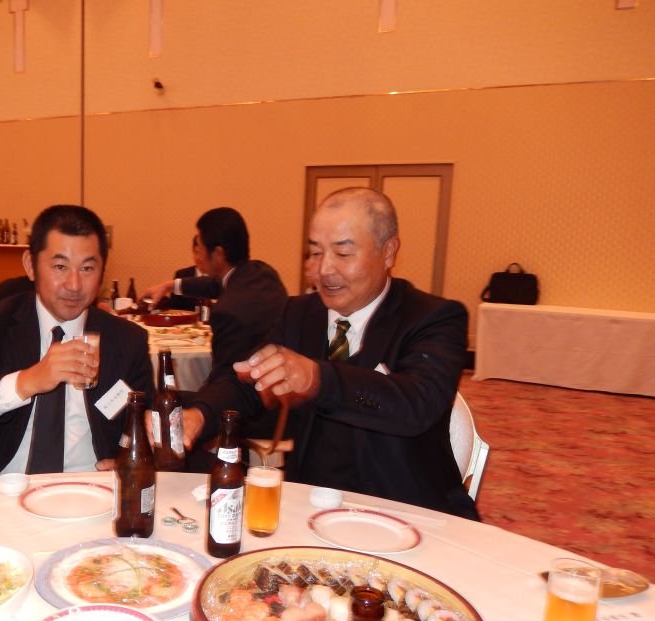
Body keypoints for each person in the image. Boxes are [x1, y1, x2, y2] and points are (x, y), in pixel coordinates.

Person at [185, 187, 479, 519]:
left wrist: (317, 378)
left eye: (343, 253)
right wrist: (199, 414)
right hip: (311, 502)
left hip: (405, 508)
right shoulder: (299, 313)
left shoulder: (433, 318)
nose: (324, 269)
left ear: (388, 252)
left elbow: (416, 403)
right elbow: (249, 379)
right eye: (315, 253)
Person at [0, 204, 154, 480]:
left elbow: (144, 422)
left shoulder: (127, 339)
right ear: (30, 265)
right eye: (60, 266)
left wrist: (129, 456)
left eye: (87, 268)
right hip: (5, 484)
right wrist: (27, 381)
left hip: (91, 485)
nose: (74, 284)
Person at [143, 207, 288, 385]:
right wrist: (170, 285)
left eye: (201, 248)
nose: (199, 256)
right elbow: (216, 284)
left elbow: (224, 379)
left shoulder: (227, 312)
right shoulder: (261, 272)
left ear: (218, 254)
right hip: (280, 378)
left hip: (250, 392)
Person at [162, 235, 209, 311]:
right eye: (197, 252)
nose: (200, 258)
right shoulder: (182, 275)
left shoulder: (220, 277)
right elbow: (174, 309)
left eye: (204, 253)